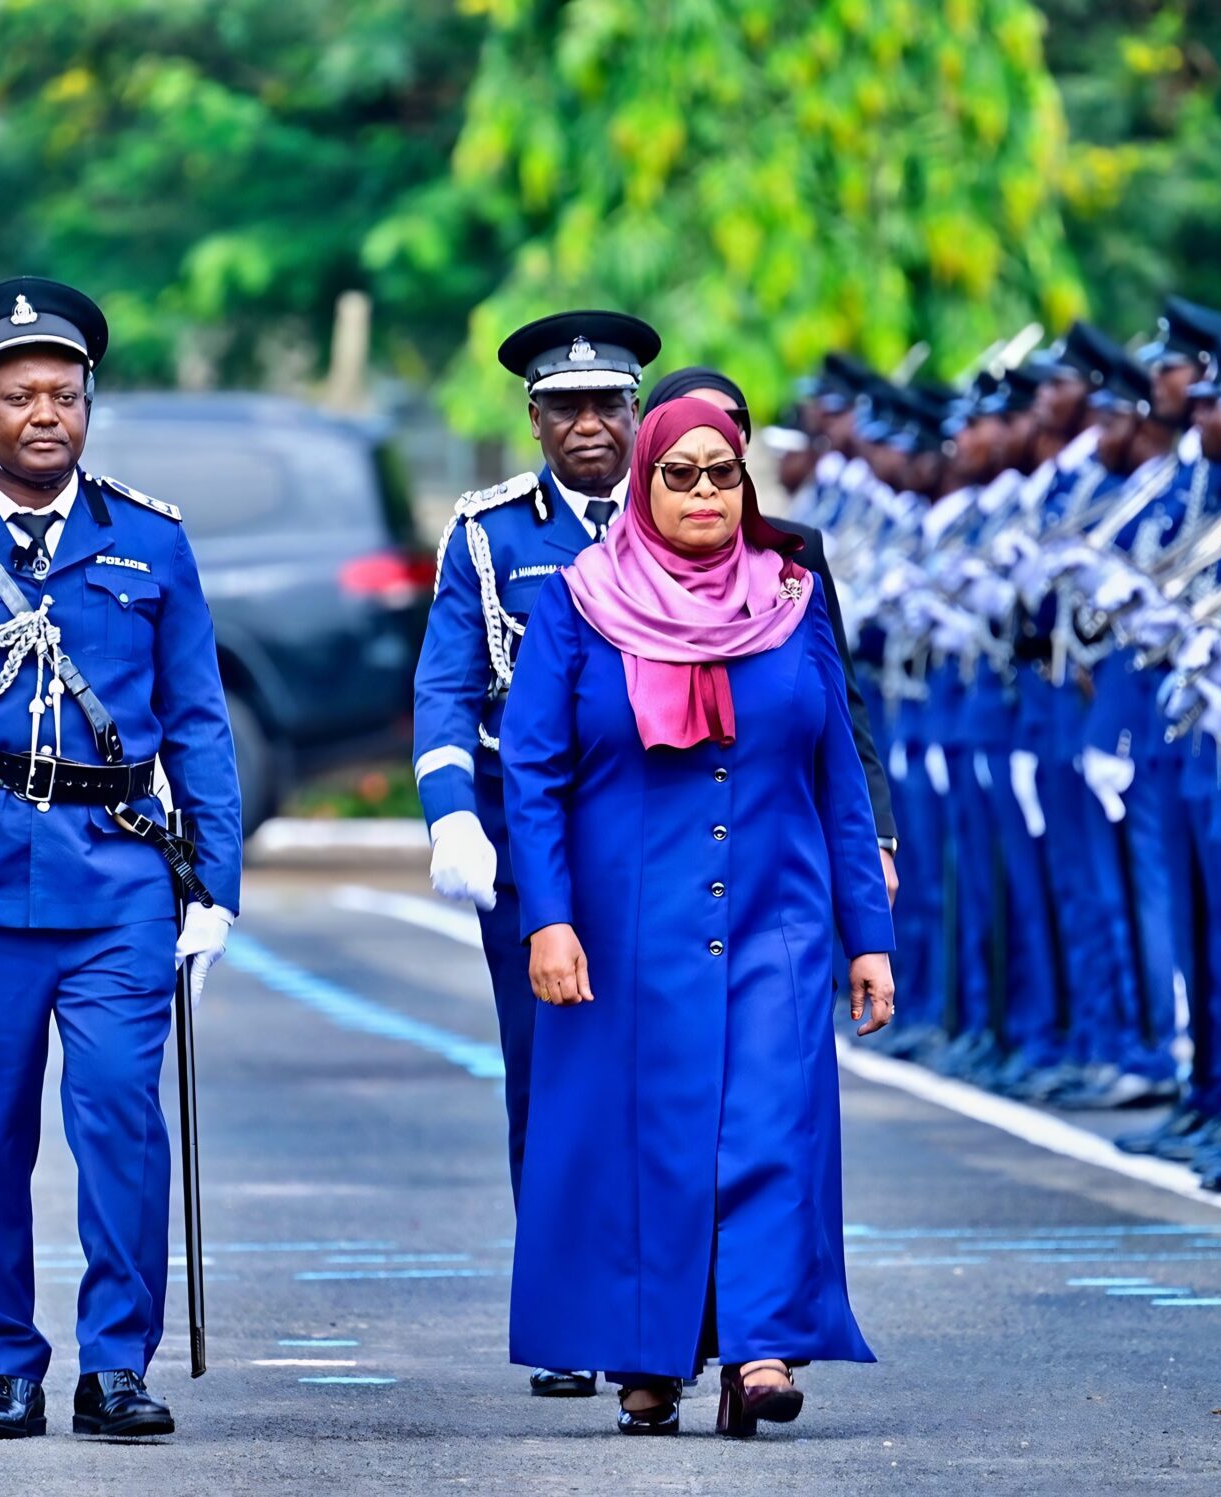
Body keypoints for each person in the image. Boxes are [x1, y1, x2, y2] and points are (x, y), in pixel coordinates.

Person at [0, 277, 242, 1439]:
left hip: (115, 875)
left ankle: (116, 1363)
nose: (46, 415)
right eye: (19, 397)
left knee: (120, 1111)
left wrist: (213, 886)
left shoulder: (150, 540)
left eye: (65, 394)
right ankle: (5, 1359)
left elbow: (200, 721)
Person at [501, 397, 896, 1436]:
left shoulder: (793, 598)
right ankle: (648, 1357)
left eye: (723, 474)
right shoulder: (583, 604)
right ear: (644, 485)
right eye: (680, 475)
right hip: (625, 928)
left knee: (771, 1123)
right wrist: (548, 919)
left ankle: (762, 1345)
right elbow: (533, 773)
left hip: (779, 915)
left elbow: (839, 780)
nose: (706, 494)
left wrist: (871, 939)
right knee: (646, 1141)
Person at [411, 308, 661, 1400]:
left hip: (655, 825)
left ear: (637, 413)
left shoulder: (681, 513)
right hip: (533, 829)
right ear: (535, 418)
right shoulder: (491, 533)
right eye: (567, 407)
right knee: (552, 1077)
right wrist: (453, 814)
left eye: (609, 403)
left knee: (662, 1069)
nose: (590, 425)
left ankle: (658, 1304)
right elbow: (446, 686)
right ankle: (566, 1313)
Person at [641, 364, 901, 902]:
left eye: (731, 422)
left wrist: (875, 837)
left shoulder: (794, 553)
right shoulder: (613, 566)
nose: (713, 431)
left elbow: (841, 705)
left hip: (775, 827)